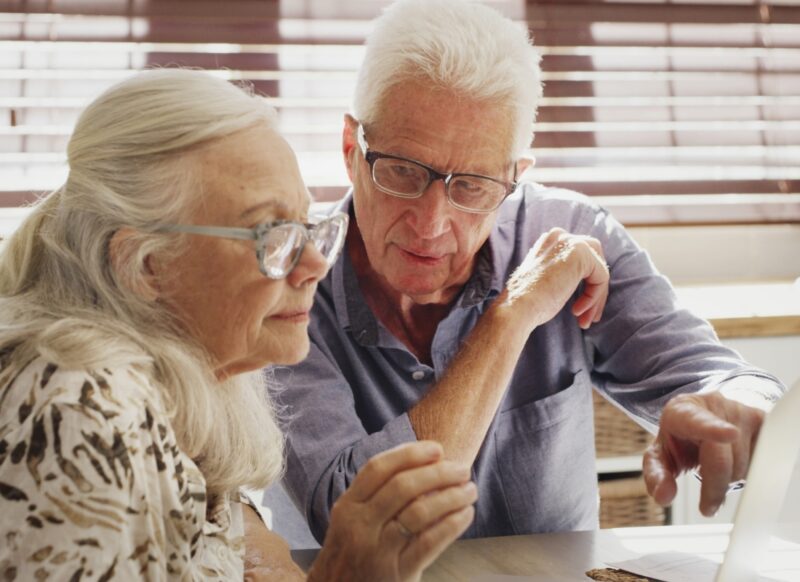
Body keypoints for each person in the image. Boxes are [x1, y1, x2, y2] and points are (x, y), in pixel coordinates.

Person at [275, 0, 785, 542]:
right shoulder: (286, 278)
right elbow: (356, 523)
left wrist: (737, 412)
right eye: (402, 171)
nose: (430, 224)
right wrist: (512, 316)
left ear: (515, 178)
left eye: (471, 186)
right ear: (352, 149)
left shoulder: (570, 232)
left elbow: (730, 381)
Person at [0, 69, 477, 580]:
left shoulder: (184, 384)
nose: (314, 265)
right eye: (269, 236)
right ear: (146, 265)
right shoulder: (80, 418)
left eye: (306, 227)